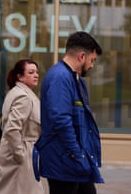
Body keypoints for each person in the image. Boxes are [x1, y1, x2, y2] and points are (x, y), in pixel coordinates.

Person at [33, 31, 104, 194]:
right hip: (64, 161)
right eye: (92, 60)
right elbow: (61, 121)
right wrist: (77, 154)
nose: (92, 65)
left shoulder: (73, 78)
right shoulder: (60, 78)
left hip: (73, 160)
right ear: (81, 56)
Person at [0, 59, 45, 194]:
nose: (36, 75)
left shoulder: (19, 92)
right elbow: (12, 128)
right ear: (20, 76)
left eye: (37, 72)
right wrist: (19, 155)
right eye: (31, 72)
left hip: (22, 151)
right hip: (22, 152)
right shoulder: (23, 96)